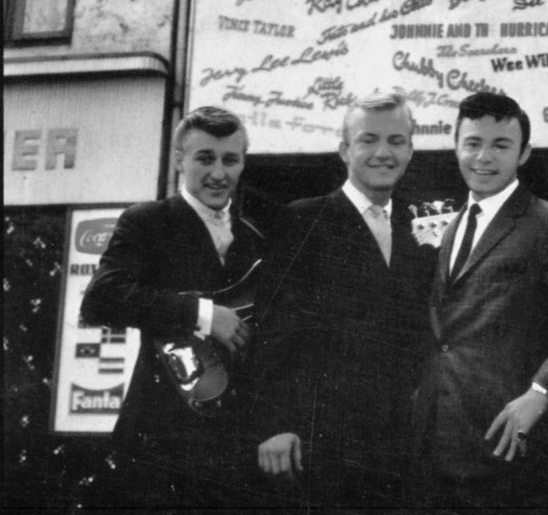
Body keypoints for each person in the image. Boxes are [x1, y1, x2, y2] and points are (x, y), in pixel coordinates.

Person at [412, 91, 548, 510]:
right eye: (473, 143)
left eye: (501, 145)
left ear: (524, 153)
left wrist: (541, 392)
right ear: (456, 147)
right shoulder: (451, 227)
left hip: (506, 447)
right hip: (437, 444)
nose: (484, 157)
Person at [80, 106, 273, 510]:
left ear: (243, 163)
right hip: (159, 438)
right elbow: (101, 299)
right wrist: (203, 315)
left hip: (234, 445)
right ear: (179, 160)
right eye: (205, 158)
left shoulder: (257, 238)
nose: (218, 173)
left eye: (230, 160)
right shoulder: (147, 221)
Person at [254, 90, 434, 511]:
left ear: (410, 151)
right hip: (323, 442)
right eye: (368, 140)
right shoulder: (303, 218)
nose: (383, 152)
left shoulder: (420, 225)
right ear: (343, 150)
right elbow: (274, 329)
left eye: (396, 141)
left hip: (402, 445)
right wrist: (275, 423)